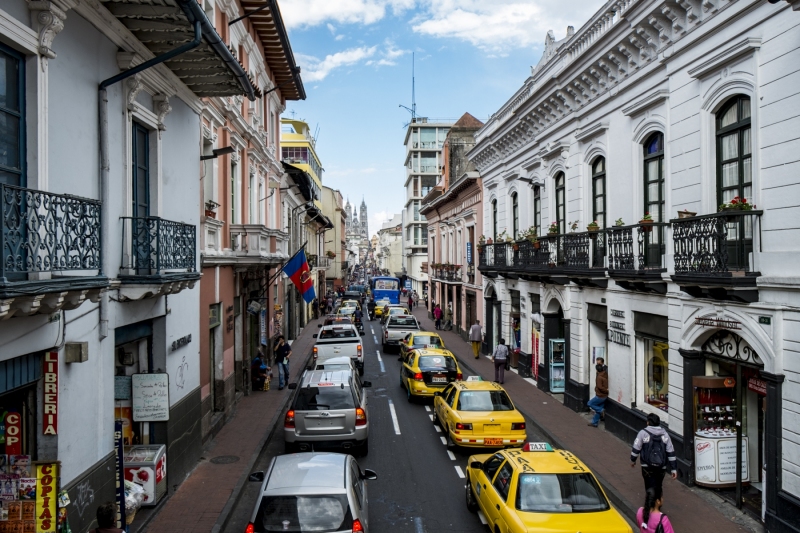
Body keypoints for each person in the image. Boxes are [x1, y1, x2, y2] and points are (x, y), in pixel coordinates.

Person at [631, 413, 678, 493]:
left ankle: (650, 502)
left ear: (648, 422)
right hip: (661, 466)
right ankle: (658, 502)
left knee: (649, 485)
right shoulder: (665, 435)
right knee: (659, 486)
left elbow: (636, 448)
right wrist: (674, 469)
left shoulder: (642, 433)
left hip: (647, 466)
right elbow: (671, 452)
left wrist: (633, 460)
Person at [587, 357, 608, 427]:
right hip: (604, 396)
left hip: (600, 395)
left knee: (589, 403)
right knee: (598, 411)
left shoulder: (599, 377)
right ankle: (594, 423)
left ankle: (602, 410)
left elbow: (600, 387)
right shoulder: (605, 374)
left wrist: (604, 390)